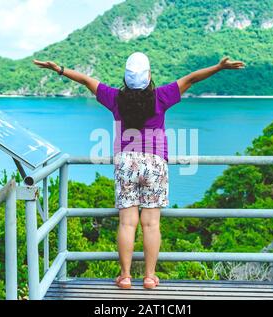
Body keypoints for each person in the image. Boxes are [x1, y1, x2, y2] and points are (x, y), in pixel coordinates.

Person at [33, 53, 245, 289]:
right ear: (149, 76)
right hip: (154, 163)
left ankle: (125, 276)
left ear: (125, 78)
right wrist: (218, 66)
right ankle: (149, 277)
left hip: (125, 163)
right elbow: (192, 79)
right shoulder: (162, 96)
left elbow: (85, 80)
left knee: (127, 223)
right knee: (151, 224)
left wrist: (59, 68)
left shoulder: (114, 97)